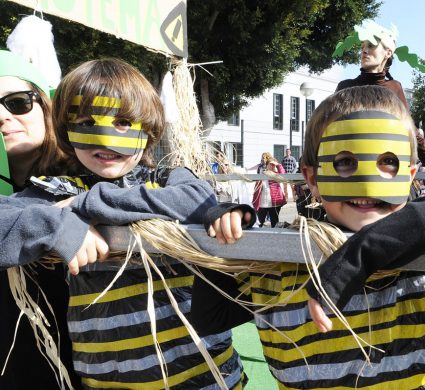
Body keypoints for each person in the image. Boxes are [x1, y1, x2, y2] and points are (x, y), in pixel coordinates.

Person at [191, 86, 425, 389]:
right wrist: (221, 224)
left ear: (410, 176)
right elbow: (210, 318)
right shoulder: (278, 267)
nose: (367, 179)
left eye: (388, 162)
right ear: (312, 178)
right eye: (345, 161)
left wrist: (361, 255)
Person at [1, 58, 245, 389]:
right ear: (67, 130)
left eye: (123, 122)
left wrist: (87, 206)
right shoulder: (57, 191)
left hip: (204, 376)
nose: (105, 139)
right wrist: (56, 222)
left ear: (149, 128)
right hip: (108, 380)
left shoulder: (165, 178)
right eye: (86, 122)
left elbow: (196, 200)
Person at [0, 50, 83, 389]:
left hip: (82, 366)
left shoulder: (90, 175)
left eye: (17, 102)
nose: (1, 116)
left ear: (47, 106)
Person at [335, 21, 425, 172]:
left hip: (385, 171)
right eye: (362, 47)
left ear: (388, 53)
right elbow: (327, 129)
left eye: (371, 46)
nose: (364, 50)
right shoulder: (345, 87)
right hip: (350, 171)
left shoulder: (394, 88)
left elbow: (410, 130)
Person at [252, 157, 286, 227]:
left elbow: (283, 174)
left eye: (273, 165)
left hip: (274, 204)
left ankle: (274, 237)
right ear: (266, 165)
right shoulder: (262, 174)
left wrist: (278, 165)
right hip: (262, 204)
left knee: (275, 223)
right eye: (270, 164)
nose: (271, 166)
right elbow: (256, 189)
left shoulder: (277, 175)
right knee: (259, 223)